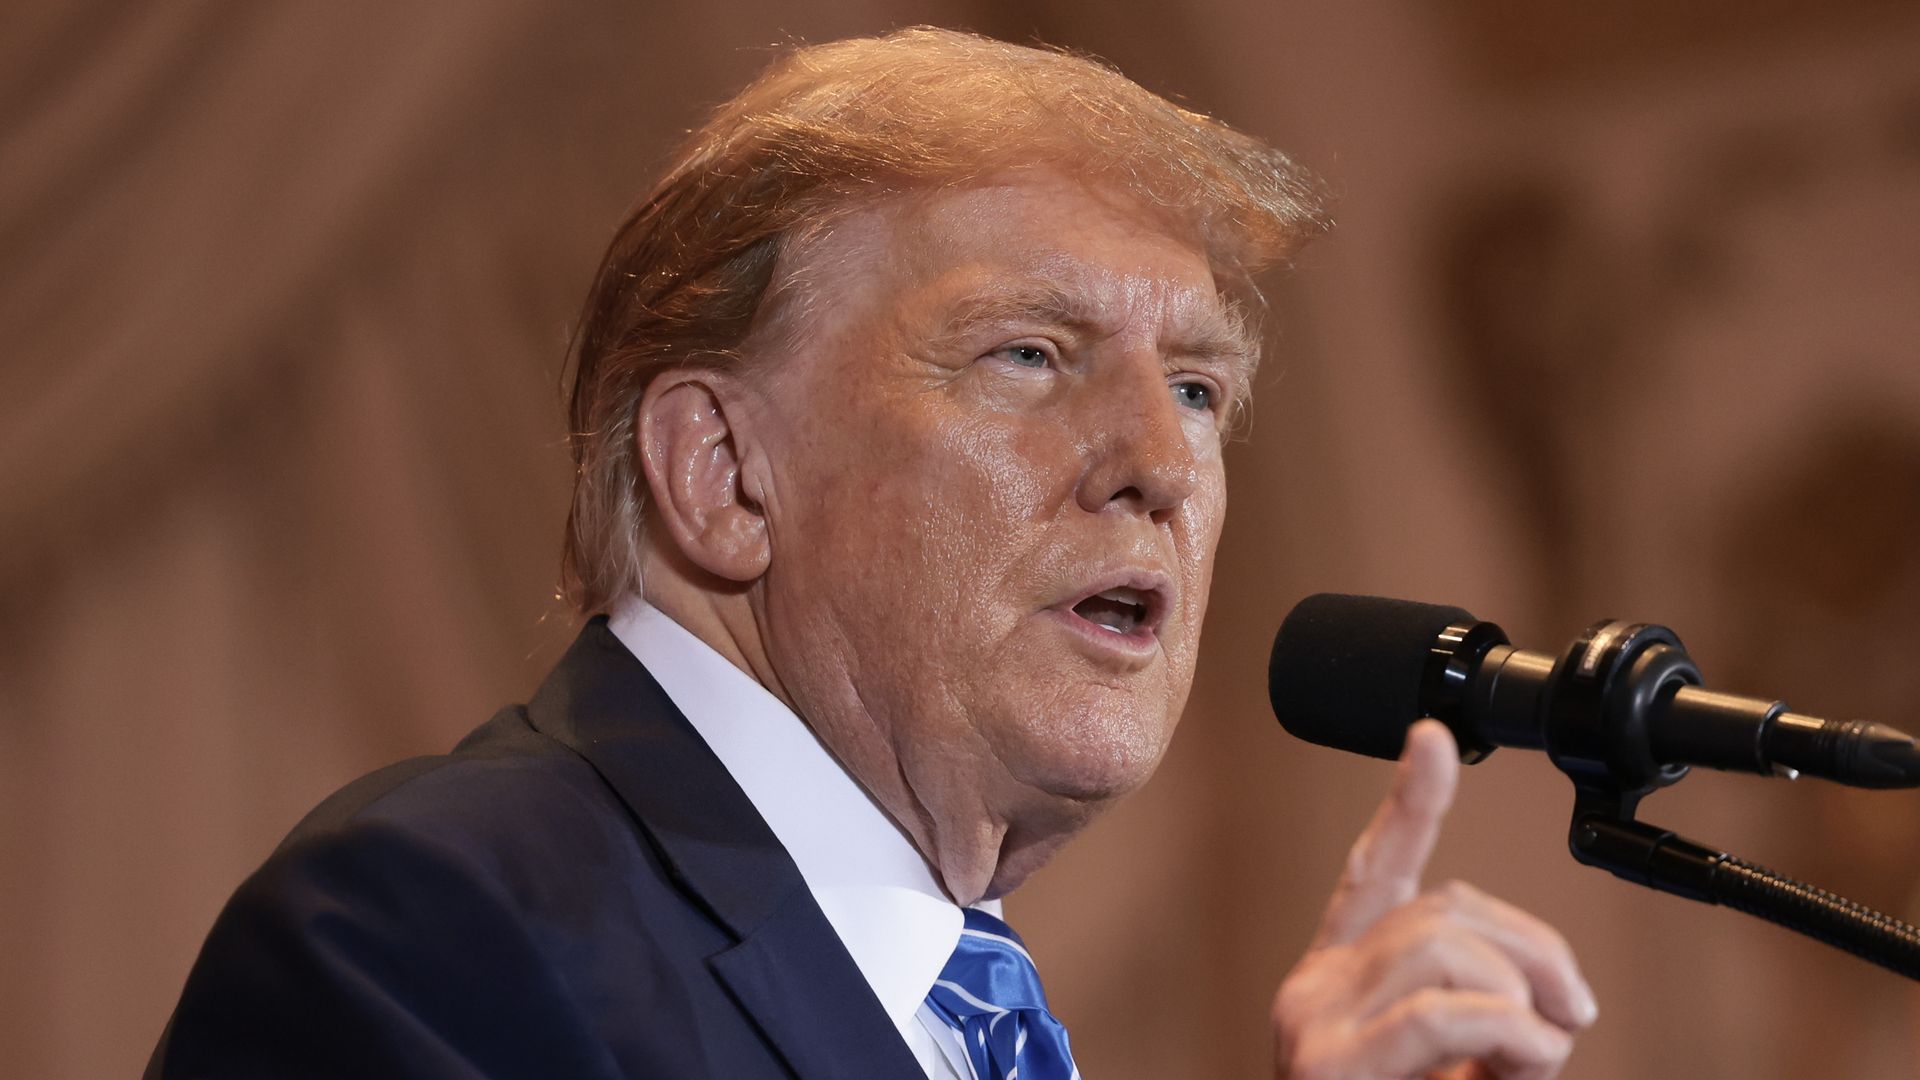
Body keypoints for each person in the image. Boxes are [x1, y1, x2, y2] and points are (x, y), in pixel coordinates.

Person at [147, 27, 1595, 1080]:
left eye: (1203, 390)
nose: (1164, 463)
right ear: (722, 474)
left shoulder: (952, 1000)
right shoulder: (441, 931)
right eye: (1028, 354)